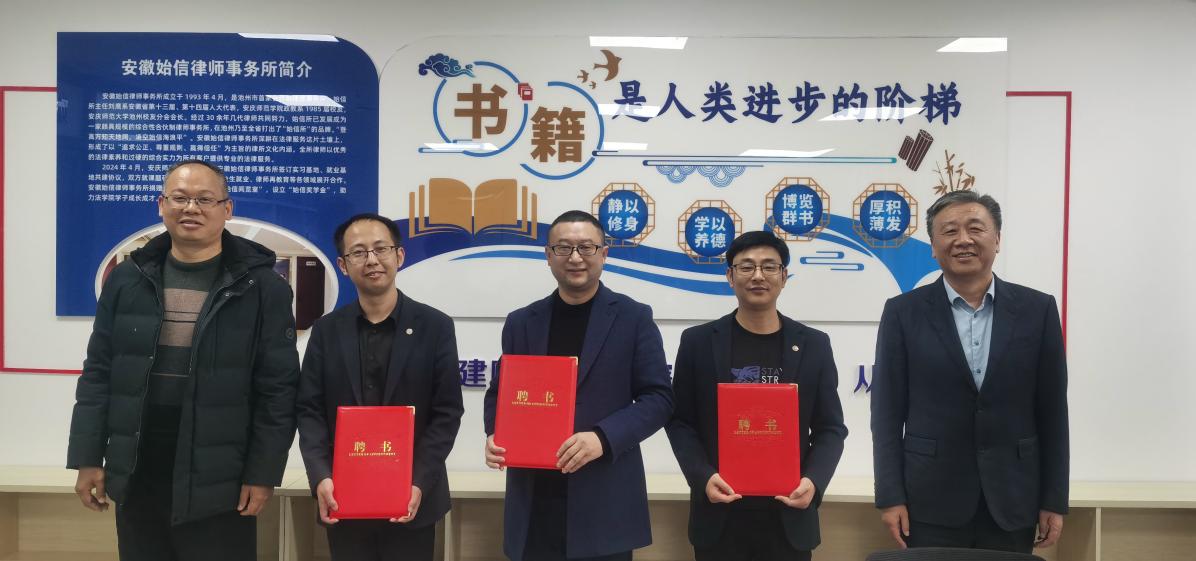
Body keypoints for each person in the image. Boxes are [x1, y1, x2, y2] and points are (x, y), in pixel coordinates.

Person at [66, 159, 300, 561]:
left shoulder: (262, 288)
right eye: (180, 198)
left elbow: (278, 390)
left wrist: (263, 473)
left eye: (205, 199)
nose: (191, 208)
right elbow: (99, 374)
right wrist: (87, 457)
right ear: (161, 205)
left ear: (227, 209)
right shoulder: (127, 279)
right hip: (139, 463)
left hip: (221, 473)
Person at [871, 190, 1069, 553]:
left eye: (975, 228)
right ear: (933, 246)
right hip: (929, 499)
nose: (963, 239)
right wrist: (890, 496)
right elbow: (886, 414)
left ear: (997, 239)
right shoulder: (903, 313)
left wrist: (1054, 498)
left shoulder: (1037, 310)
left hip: (1013, 498)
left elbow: (1053, 412)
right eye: (949, 231)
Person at [482, 210, 674, 561]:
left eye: (586, 247)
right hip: (535, 501)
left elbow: (659, 398)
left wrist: (602, 437)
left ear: (604, 253)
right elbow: (501, 391)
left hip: (604, 499)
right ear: (548, 255)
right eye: (563, 248)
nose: (575, 257)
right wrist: (495, 433)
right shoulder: (522, 321)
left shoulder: (634, 318)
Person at [666, 230, 848, 561]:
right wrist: (703, 477)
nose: (758, 276)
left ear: (784, 276)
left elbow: (830, 428)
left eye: (769, 266)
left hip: (790, 514)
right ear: (730, 276)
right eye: (747, 266)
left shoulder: (814, 344)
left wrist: (814, 481)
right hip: (719, 514)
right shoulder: (698, 342)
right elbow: (680, 423)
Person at [297, 213, 463, 561]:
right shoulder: (326, 330)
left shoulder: (435, 326)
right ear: (343, 265)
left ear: (399, 256)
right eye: (358, 252)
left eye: (380, 249)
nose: (371, 260)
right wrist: (321, 476)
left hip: (413, 497)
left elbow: (447, 412)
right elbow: (309, 409)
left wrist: (418, 481)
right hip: (344, 496)